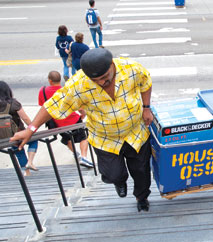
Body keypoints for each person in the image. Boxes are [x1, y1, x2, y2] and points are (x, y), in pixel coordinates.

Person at [11, 48, 153, 212]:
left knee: (141, 171)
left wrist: (146, 108)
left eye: (105, 78)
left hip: (135, 132)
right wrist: (30, 130)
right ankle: (120, 181)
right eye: (96, 80)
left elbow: (146, 83)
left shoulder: (131, 69)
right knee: (114, 174)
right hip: (105, 139)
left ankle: (141, 197)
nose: (101, 83)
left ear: (112, 65)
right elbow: (52, 106)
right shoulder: (79, 84)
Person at [38, 71, 93, 168]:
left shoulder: (43, 91)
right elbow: (79, 106)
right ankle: (84, 157)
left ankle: (76, 154)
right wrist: (83, 114)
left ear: (50, 81)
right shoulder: (65, 90)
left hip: (58, 122)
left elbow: (43, 106)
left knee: (67, 139)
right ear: (60, 80)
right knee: (83, 138)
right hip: (73, 119)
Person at [0, 81, 38, 176]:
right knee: (34, 140)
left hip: (7, 136)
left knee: (19, 152)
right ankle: (30, 162)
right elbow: (25, 118)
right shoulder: (13, 103)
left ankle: (27, 172)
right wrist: (33, 128)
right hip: (20, 133)